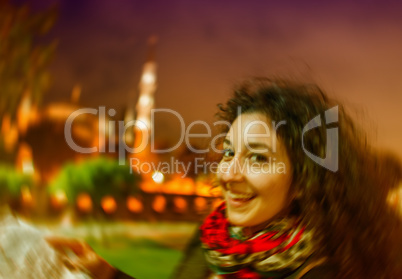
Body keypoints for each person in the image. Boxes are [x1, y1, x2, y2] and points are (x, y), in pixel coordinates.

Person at [195, 78, 402, 279]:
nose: (229, 174)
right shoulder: (211, 241)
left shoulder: (325, 270)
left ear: (303, 180)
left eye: (258, 158)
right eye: (229, 153)